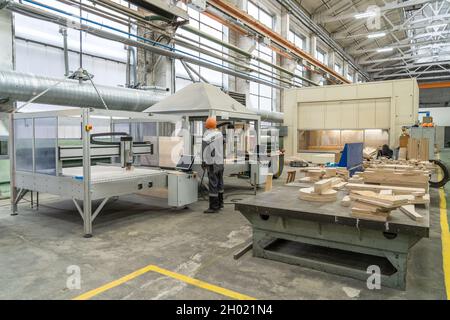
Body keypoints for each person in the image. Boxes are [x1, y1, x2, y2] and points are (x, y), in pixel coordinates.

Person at [202, 116, 224, 214]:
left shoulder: (206, 134)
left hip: (212, 163)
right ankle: (220, 203)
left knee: (213, 184)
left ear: (206, 125)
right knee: (219, 182)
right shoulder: (219, 134)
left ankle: (213, 207)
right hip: (220, 162)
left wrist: (204, 161)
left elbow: (205, 149)